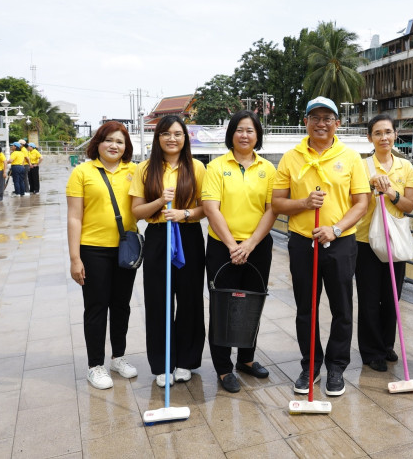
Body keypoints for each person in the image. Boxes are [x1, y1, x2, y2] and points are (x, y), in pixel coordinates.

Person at [272, 96, 370, 397]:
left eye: (327, 118)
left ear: (337, 123)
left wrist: (335, 229)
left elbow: (361, 203)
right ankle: (310, 365)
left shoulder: (351, 157)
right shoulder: (291, 157)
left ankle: (336, 366)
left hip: (340, 242)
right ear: (305, 122)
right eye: (314, 117)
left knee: (342, 307)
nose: (321, 123)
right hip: (303, 241)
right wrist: (303, 203)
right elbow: (277, 203)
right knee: (306, 307)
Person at [202, 110, 278, 393]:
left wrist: (250, 244)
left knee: (253, 303)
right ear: (231, 134)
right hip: (223, 247)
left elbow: (272, 210)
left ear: (258, 136)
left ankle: (246, 359)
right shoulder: (216, 167)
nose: (244, 135)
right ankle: (223, 368)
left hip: (257, 247)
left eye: (250, 130)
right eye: (239, 130)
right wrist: (233, 246)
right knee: (222, 306)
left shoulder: (268, 169)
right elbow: (211, 209)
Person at [130, 115, 206, 387]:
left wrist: (184, 213)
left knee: (190, 299)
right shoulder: (144, 169)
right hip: (158, 236)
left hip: (188, 236)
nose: (172, 139)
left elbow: (206, 208)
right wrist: (160, 202)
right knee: (158, 300)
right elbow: (137, 211)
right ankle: (162, 364)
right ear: (157, 137)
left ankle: (186, 360)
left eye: (177, 134)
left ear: (185, 138)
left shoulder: (197, 167)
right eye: (166, 134)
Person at [66, 121, 140, 390]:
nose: (114, 145)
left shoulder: (134, 171)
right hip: (93, 249)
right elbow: (74, 217)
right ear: (97, 143)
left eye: (120, 142)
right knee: (96, 307)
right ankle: (95, 365)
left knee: (122, 306)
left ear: (126, 146)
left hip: (126, 249)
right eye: (109, 140)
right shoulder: (82, 172)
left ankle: (118, 357)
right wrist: (75, 258)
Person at [354, 114, 413, 372]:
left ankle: (386, 344)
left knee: (392, 296)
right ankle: (371, 351)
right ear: (370, 138)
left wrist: (391, 193)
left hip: (395, 239)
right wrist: (371, 186)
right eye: (378, 133)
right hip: (365, 240)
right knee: (369, 298)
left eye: (388, 132)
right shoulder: (361, 166)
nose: (384, 138)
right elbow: (354, 202)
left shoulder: (405, 167)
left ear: (395, 135)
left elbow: (410, 205)